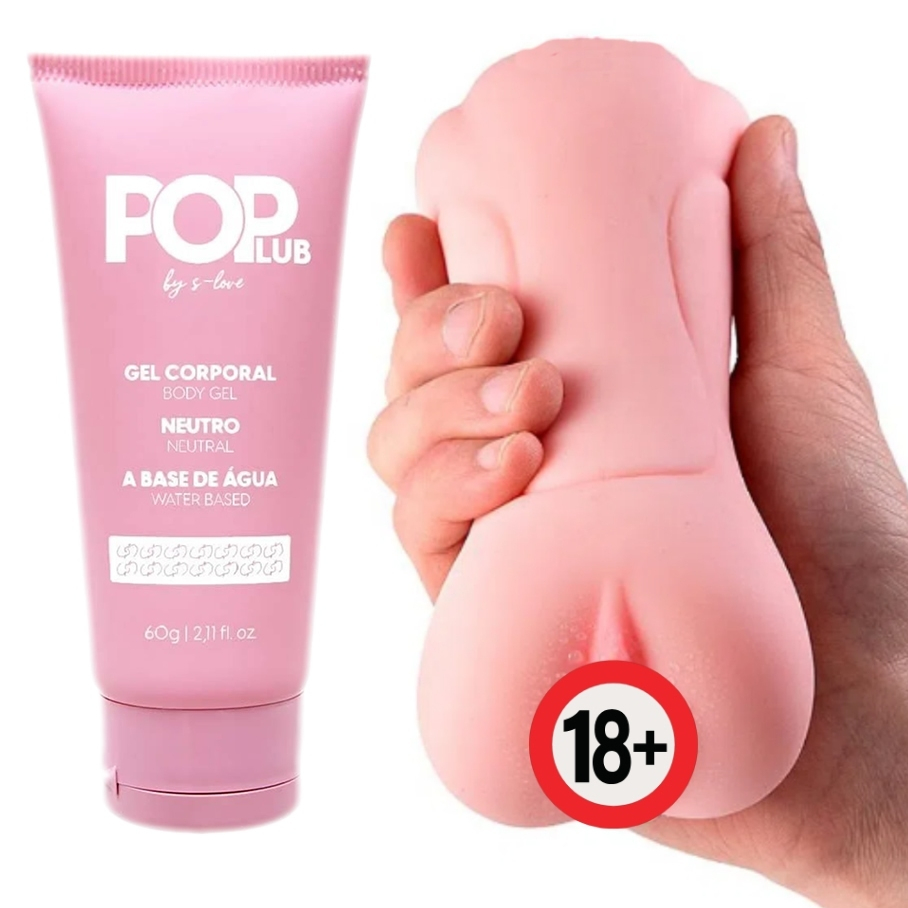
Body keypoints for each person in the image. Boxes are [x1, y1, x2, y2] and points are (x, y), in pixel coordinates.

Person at [367, 116, 908, 908]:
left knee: (481, 741)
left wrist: (881, 791)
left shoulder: (468, 139)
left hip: (606, 581)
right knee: (486, 737)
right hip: (719, 585)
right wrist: (876, 807)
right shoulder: (692, 121)